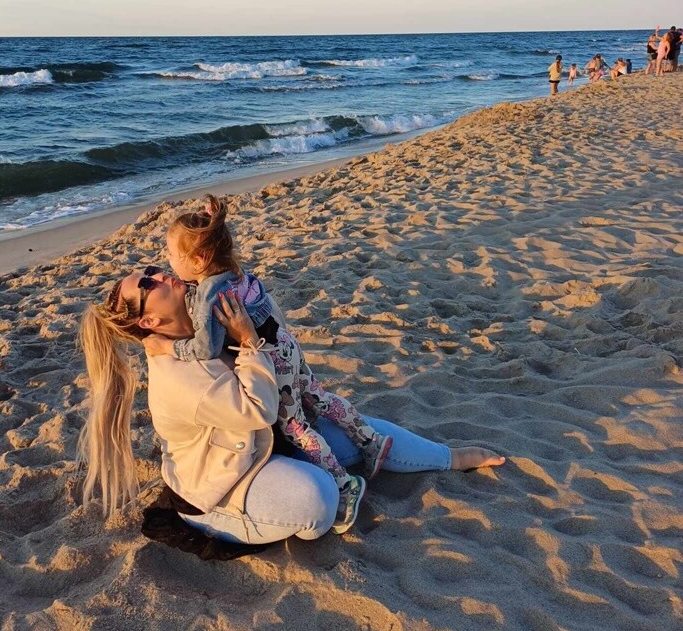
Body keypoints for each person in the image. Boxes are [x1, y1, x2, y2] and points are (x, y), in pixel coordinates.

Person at [78, 269, 506, 547]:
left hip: (269, 445)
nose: (160, 275)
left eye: (153, 270)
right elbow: (259, 410)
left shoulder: (205, 322)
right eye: (149, 285)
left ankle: (452, 457)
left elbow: (283, 342)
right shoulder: (177, 376)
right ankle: (230, 520)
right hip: (225, 484)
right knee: (317, 498)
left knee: (364, 431)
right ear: (148, 322)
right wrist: (247, 341)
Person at [142, 196, 400, 534]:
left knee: (295, 428)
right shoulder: (233, 271)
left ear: (199, 258)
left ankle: (343, 485)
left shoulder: (208, 295)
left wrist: (171, 347)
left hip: (270, 359)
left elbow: (207, 347)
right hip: (286, 345)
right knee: (319, 397)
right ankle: (370, 440)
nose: (168, 261)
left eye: (172, 255)